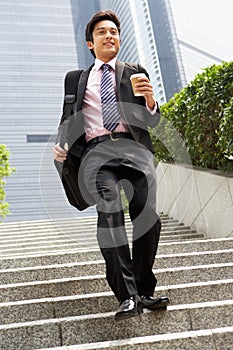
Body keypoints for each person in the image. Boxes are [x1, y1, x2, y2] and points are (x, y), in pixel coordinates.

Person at [53, 10, 169, 321]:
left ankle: (144, 288)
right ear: (90, 43)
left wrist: (150, 102)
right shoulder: (75, 79)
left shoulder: (134, 71)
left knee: (148, 216)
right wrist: (61, 144)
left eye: (114, 32)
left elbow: (152, 121)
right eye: (102, 32)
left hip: (134, 151)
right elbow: (69, 118)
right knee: (110, 216)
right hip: (97, 154)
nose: (110, 36)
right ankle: (127, 296)